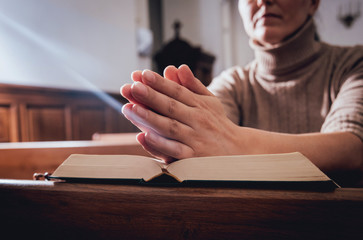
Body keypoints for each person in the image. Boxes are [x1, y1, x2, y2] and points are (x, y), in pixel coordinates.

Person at [120, 0, 363, 186]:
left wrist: (231, 141)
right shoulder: (233, 81)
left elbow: (352, 148)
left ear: (313, 2)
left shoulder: (353, 63)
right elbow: (205, 135)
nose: (263, 0)